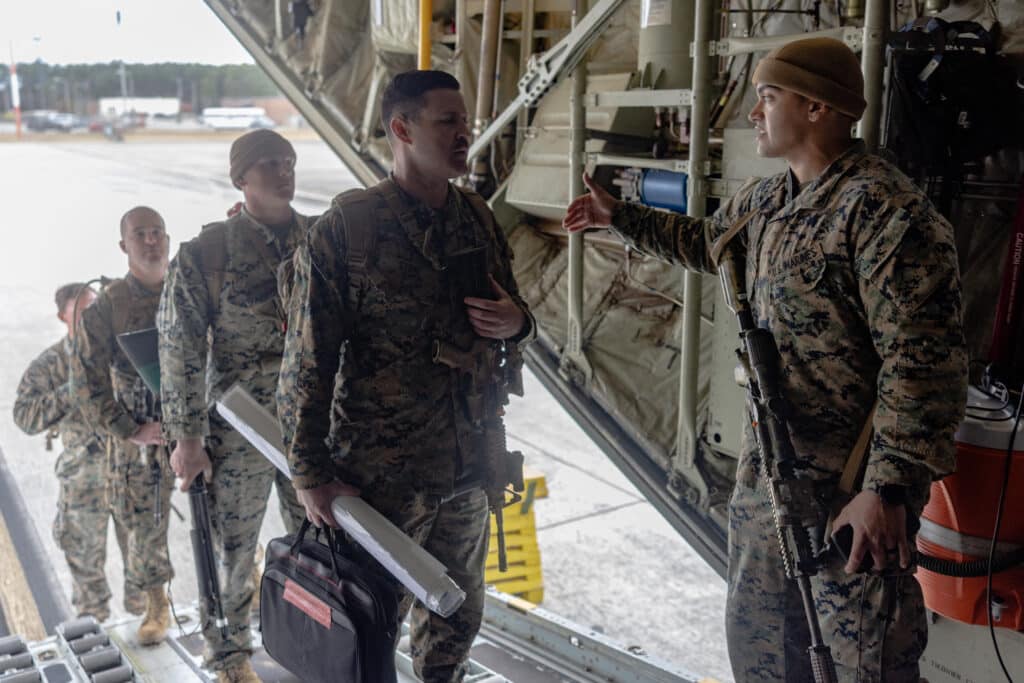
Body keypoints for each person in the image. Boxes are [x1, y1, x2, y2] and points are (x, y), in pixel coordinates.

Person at [563, 38, 968, 683]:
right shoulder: (768, 200)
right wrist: (620, 218)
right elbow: (707, 244)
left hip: (851, 498)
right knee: (763, 654)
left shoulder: (884, 212)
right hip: (772, 485)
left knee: (864, 661)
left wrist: (884, 489)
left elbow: (923, 364)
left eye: (768, 96)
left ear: (817, 107)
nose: (754, 111)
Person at [277, 70, 535, 682]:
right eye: (446, 121)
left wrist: (517, 322)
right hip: (381, 475)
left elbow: (515, 312)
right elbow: (307, 360)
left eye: (463, 122)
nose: (463, 134)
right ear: (401, 128)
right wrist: (310, 473)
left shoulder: (475, 216)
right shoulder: (349, 229)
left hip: (469, 461)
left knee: (456, 613)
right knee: (366, 622)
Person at [158, 129, 310, 683]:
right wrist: (187, 439)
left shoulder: (320, 240)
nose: (284, 171)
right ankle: (229, 657)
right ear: (240, 178)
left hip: (308, 427)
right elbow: (179, 348)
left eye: (289, 161)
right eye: (269, 163)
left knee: (316, 545)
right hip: (239, 427)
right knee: (233, 551)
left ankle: (313, 642)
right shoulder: (208, 252)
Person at [69, 207, 176, 645]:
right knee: (144, 524)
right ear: (124, 246)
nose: (150, 241)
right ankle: (156, 604)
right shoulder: (110, 304)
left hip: (198, 426)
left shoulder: (188, 289)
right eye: (140, 235)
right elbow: (85, 382)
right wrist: (130, 429)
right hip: (143, 438)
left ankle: (232, 596)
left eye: (157, 233)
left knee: (226, 517)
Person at [13, 283, 141, 622]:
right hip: (83, 484)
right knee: (88, 586)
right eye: (83, 311)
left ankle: (150, 636)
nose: (92, 318)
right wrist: (73, 389)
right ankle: (95, 644)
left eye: (96, 310)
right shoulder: (52, 363)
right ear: (63, 316)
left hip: (129, 476)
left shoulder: (120, 352)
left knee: (143, 574)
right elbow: (24, 416)